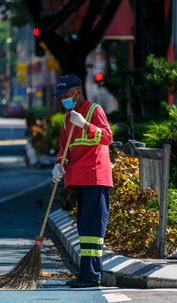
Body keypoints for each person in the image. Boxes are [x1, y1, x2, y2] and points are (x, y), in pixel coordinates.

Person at [52, 74, 113, 288]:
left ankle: (92, 275)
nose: (63, 100)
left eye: (66, 95)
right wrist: (59, 165)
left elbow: (107, 137)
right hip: (80, 179)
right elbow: (65, 149)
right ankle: (86, 274)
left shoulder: (94, 111)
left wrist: (86, 124)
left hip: (95, 178)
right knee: (85, 228)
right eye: (60, 97)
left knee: (93, 230)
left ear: (78, 92)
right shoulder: (67, 119)